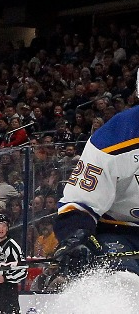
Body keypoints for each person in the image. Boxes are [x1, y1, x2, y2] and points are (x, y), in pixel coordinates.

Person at [54, 74, 139, 276]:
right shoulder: (113, 138)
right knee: (123, 286)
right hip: (118, 231)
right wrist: (77, 238)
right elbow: (78, 205)